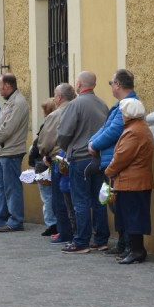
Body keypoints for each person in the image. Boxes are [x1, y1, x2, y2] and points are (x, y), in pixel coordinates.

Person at [56, 71, 110, 253]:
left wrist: (66, 148)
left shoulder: (75, 105)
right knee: (99, 200)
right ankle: (101, 239)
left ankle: (81, 241)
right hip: (99, 159)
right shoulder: (103, 104)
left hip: (80, 158)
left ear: (79, 84)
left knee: (80, 201)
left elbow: (63, 133)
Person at [89, 68, 140, 255]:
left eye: (111, 83)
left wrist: (94, 145)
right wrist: (92, 142)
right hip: (110, 161)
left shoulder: (128, 105)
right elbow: (106, 127)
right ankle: (122, 243)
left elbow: (114, 130)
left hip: (117, 163)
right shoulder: (120, 104)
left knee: (120, 206)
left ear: (118, 85)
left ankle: (127, 245)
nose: (111, 86)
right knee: (114, 205)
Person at [103, 98, 154, 264]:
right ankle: (134, 249)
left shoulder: (134, 131)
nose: (122, 115)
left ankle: (137, 250)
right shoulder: (139, 127)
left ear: (128, 114)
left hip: (133, 182)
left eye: (123, 112)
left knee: (133, 217)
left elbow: (122, 157)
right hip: (134, 181)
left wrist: (109, 171)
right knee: (132, 216)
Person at [0, 73, 30, 232]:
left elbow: (8, 128)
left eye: (0, 85)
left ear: (8, 86)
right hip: (2, 150)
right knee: (2, 187)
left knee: (12, 188)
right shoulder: (10, 102)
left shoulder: (18, 103)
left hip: (11, 151)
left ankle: (16, 220)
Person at [38, 83, 77, 245]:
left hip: (59, 160)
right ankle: (76, 231)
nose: (54, 98)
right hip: (79, 158)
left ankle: (65, 232)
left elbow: (45, 140)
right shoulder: (78, 109)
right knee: (75, 200)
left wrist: (44, 152)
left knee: (59, 199)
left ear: (59, 97)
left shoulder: (56, 114)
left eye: (55, 95)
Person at [33, 97, 59, 236]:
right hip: (46, 162)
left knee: (47, 196)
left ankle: (52, 223)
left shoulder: (48, 123)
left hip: (44, 163)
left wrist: (33, 160)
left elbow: (40, 143)